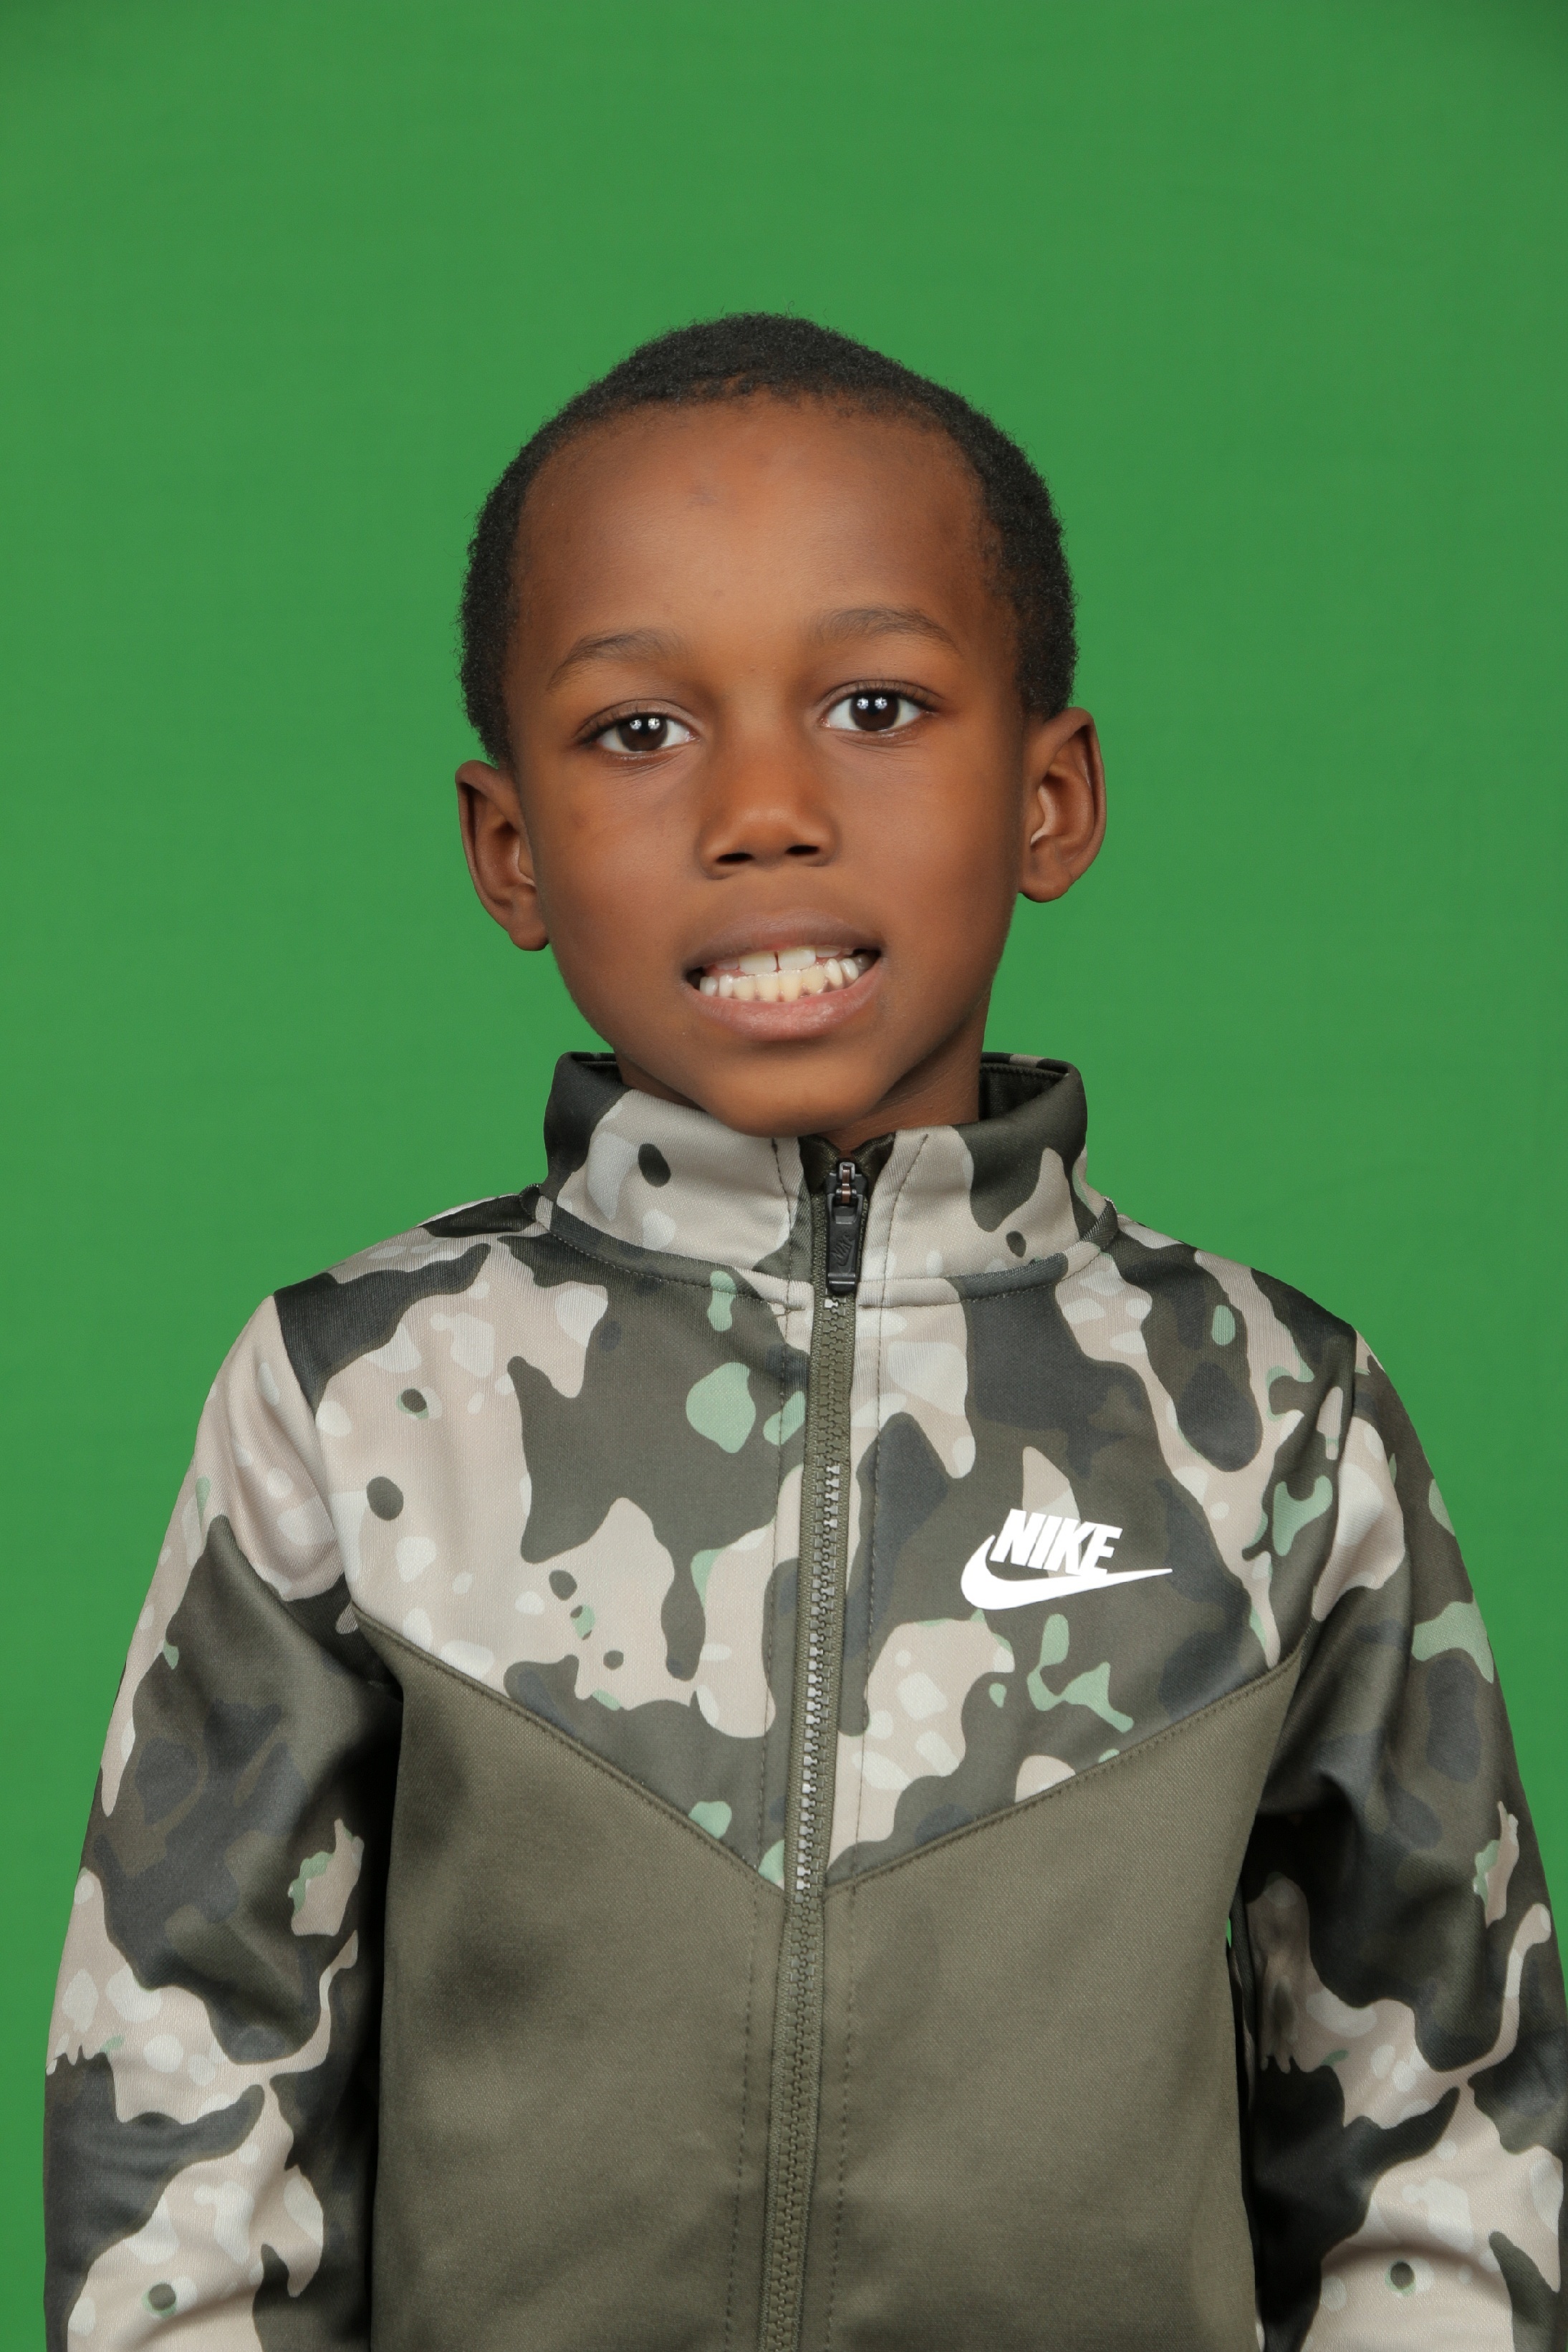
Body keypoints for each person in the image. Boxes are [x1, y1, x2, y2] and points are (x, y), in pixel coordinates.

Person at [44, 314, 1564, 2352]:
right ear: (509, 846)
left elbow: (1442, 2152)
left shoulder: (1280, 1422)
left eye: (874, 703)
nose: (763, 807)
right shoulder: (356, 1400)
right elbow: (184, 2122)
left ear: (1051, 796)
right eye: (637, 730)